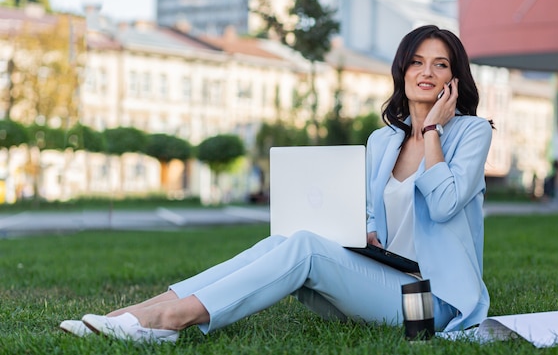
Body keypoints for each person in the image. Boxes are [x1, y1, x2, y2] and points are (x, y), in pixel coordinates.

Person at [60, 25, 494, 344]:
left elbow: (443, 205)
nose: (427, 72)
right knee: (281, 241)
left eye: (440, 65)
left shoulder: (472, 132)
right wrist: (359, 228)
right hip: (383, 276)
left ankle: (170, 321)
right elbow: (367, 210)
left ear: (455, 79)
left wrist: (434, 130)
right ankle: (133, 313)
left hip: (433, 306)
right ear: (402, 70)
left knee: (304, 247)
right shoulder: (384, 140)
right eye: (417, 61)